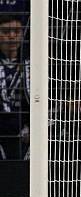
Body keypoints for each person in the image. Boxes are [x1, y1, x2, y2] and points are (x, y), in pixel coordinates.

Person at [0, 13, 28, 159]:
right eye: (5, 32)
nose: (11, 36)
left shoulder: (30, 64)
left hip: (22, 132)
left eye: (16, 32)